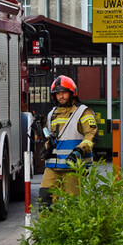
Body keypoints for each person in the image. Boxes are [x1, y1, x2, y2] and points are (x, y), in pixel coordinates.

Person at [39, 75, 98, 207]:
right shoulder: (51, 114)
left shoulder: (83, 112)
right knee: (45, 199)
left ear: (72, 93)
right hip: (53, 167)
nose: (61, 96)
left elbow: (91, 135)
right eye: (58, 93)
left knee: (73, 204)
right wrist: (46, 147)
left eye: (64, 92)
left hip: (74, 167)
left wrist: (79, 151)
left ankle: (72, 228)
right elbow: (52, 137)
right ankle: (49, 227)